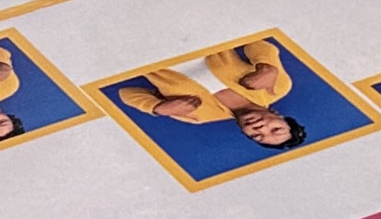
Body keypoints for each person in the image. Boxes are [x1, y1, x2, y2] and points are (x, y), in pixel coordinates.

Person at [107, 39, 302, 149]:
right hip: (191, 33)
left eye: (256, 136)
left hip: (138, 49)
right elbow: (257, 45)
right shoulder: (277, 88)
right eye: (275, 129)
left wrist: (158, 108)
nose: (260, 128)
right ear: (281, 118)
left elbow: (125, 93)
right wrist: (267, 68)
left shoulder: (198, 117)